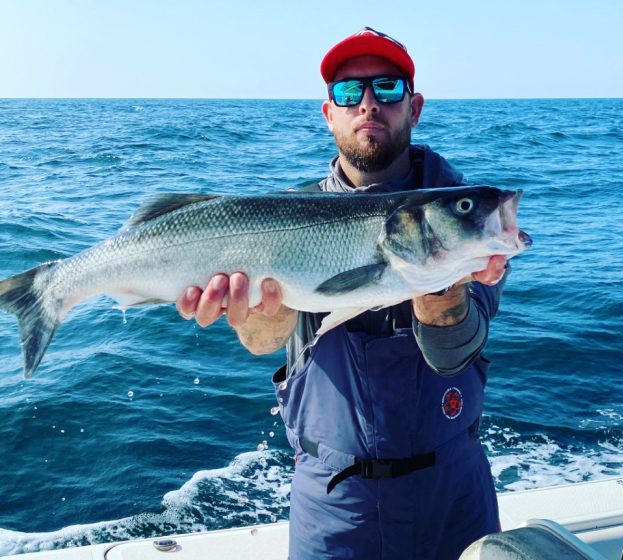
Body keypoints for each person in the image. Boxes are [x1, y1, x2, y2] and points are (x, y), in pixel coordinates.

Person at [177, 27, 509, 560]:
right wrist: (255, 315)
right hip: (333, 506)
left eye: (388, 88)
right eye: (350, 93)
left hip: (453, 496)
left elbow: (453, 354)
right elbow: (265, 342)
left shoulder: (462, 220)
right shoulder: (286, 218)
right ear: (329, 112)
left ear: (415, 106)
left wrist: (441, 291)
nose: (369, 104)